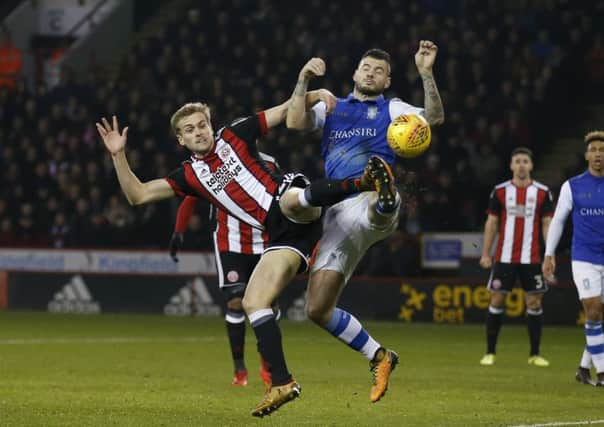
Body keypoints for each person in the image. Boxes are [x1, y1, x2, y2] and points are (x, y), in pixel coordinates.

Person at [96, 101, 390, 416]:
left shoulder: (235, 134)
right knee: (254, 302)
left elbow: (285, 111)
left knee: (290, 202)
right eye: (190, 130)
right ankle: (283, 382)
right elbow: (138, 194)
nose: (198, 132)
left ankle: (365, 182)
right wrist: (118, 155)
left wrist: (311, 87)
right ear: (180, 140)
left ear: (210, 125)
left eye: (201, 125)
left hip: (290, 197)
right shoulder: (189, 175)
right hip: (284, 237)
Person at [286, 41, 444, 402]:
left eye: (379, 70)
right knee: (317, 309)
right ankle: (379, 355)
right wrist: (304, 80)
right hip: (336, 212)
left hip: (368, 198)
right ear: (355, 73)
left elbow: (433, 119)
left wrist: (426, 73)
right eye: (366, 68)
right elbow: (295, 122)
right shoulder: (333, 108)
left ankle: (385, 200)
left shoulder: (394, 109)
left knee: (374, 204)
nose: (371, 73)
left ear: (387, 80)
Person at [169, 149, 280, 390]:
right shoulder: (219, 163)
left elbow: (282, 200)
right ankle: (239, 368)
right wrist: (179, 230)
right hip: (230, 243)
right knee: (235, 301)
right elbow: (191, 196)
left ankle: (267, 361)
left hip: (264, 243)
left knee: (269, 305)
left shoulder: (271, 164)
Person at [478, 147, 553, 367]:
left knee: (534, 302)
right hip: (504, 257)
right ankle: (490, 352)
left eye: (525, 161)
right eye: (517, 161)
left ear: (531, 165)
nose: (521, 165)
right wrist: (485, 253)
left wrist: (549, 254)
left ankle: (535, 354)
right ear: (511, 165)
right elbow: (491, 223)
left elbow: (547, 224)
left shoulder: (542, 192)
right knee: (497, 299)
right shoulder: (500, 191)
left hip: (532, 258)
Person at [542, 131, 604, 386]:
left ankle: (583, 368)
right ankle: (602, 372)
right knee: (592, 309)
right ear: (587, 155)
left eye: (602, 150)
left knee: (599, 316)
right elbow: (558, 220)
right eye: (594, 150)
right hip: (584, 258)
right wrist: (549, 254)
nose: (598, 154)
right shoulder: (573, 185)